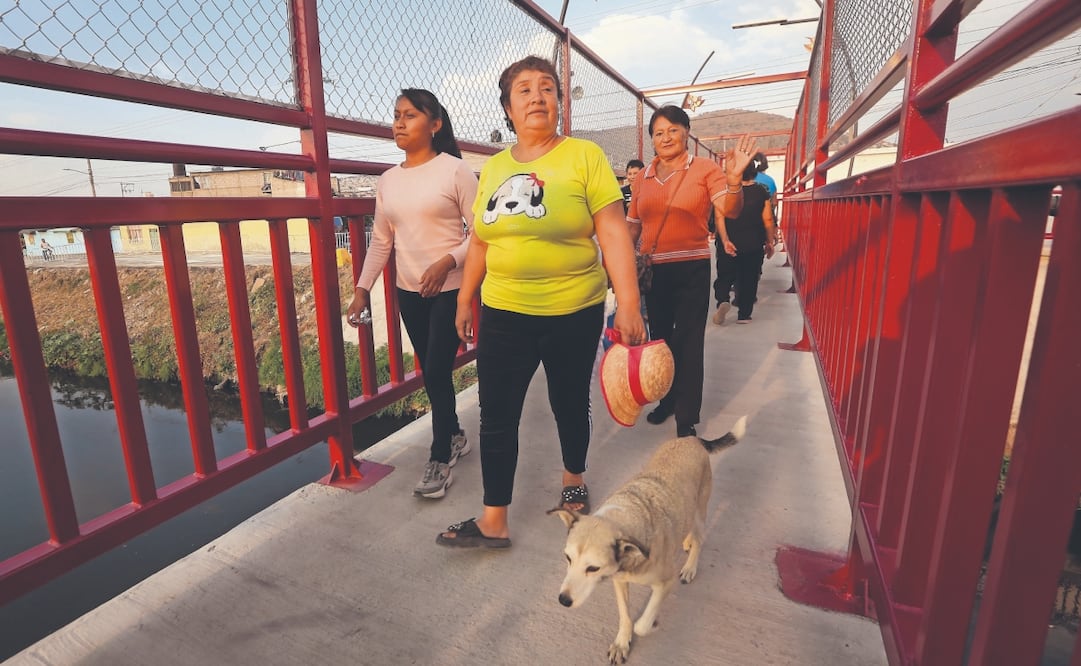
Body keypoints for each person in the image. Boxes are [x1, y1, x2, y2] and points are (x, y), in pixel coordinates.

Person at [437, 56, 645, 548]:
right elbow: (481, 240)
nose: (537, 97)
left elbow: (613, 232)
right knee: (496, 412)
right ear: (508, 109)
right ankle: (494, 519)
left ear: (559, 103)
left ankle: (574, 477)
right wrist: (465, 298)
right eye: (525, 90)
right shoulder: (494, 168)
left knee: (568, 401)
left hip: (573, 310)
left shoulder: (584, 156)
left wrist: (629, 302)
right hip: (504, 311)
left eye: (547, 88)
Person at [346, 88, 477, 499]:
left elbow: (481, 234)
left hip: (450, 290)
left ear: (434, 124)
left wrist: (448, 262)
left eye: (410, 115)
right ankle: (454, 434)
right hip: (409, 292)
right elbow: (382, 241)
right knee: (431, 372)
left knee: (435, 371)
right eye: (396, 115)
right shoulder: (388, 180)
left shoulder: (455, 171)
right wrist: (362, 289)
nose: (399, 123)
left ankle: (440, 457)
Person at [627, 105, 756, 438]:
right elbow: (632, 226)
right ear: (652, 139)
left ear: (686, 132)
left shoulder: (704, 169)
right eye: (659, 133)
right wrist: (621, 263)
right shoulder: (642, 177)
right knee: (660, 341)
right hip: (654, 271)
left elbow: (730, 209)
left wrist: (734, 181)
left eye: (673, 130)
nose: (666, 137)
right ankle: (667, 400)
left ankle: (686, 417)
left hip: (691, 269)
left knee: (688, 342)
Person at [712, 158, 777, 325]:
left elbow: (719, 218)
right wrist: (769, 241)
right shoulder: (761, 191)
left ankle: (723, 300)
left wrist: (724, 239)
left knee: (725, 274)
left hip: (728, 241)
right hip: (753, 243)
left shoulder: (725, 190)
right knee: (749, 277)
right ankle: (744, 314)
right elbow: (768, 219)